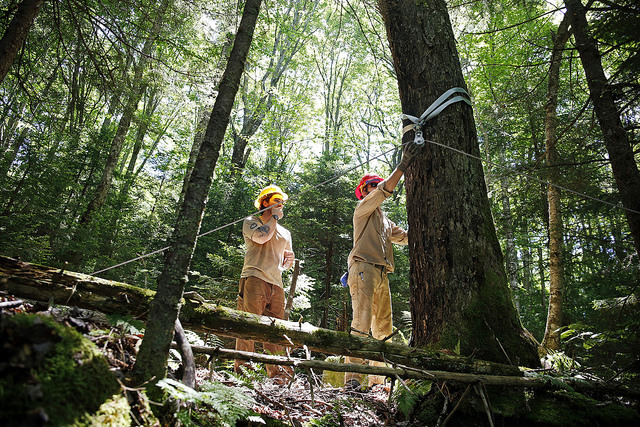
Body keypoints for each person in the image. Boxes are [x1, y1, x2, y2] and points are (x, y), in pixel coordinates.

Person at [344, 141, 422, 389]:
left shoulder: (386, 222)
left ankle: (378, 381)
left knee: (383, 328)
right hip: (363, 268)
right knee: (361, 323)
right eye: (372, 185)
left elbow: (407, 237)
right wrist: (402, 165)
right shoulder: (363, 208)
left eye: (377, 183)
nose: (376, 187)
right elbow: (385, 191)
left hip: (381, 274)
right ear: (364, 191)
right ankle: (353, 378)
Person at [235, 184, 295, 382]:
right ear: (264, 202)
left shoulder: (285, 233)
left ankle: (280, 377)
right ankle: (243, 376)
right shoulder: (251, 221)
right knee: (248, 326)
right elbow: (262, 237)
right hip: (254, 278)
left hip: (276, 284)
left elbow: (286, 264)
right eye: (276, 201)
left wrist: (289, 260)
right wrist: (274, 219)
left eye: (281, 202)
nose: (280, 205)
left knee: (276, 330)